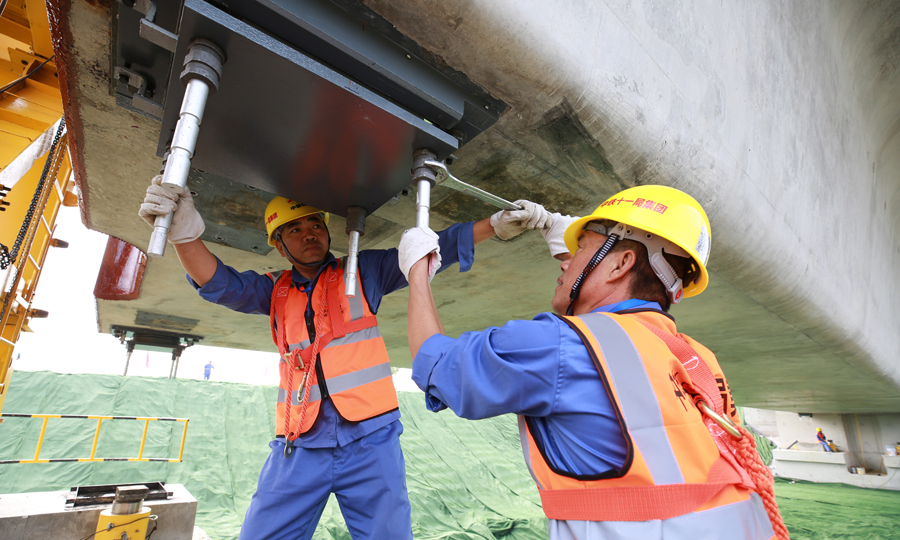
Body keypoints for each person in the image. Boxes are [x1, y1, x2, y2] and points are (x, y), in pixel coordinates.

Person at [139, 174, 551, 540]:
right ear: (280, 247)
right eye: (294, 229)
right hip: (299, 446)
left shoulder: (364, 271)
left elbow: (426, 249)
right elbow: (219, 283)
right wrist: (185, 236)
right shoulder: (273, 291)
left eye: (315, 223)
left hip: (372, 443)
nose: (309, 233)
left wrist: (494, 226)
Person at [400, 185, 789, 540]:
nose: (565, 262)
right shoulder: (695, 358)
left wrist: (418, 270)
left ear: (620, 264)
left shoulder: (557, 345)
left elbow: (435, 364)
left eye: (581, 248)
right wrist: (585, 255)